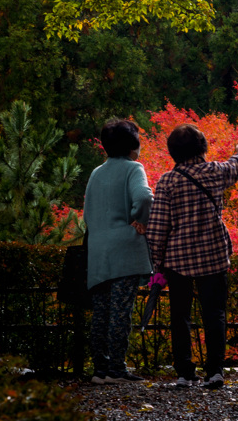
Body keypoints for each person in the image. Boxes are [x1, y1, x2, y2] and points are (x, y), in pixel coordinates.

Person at [146, 124, 238, 390]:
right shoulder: (215, 172)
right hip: (213, 255)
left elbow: (157, 228)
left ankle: (184, 372)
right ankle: (215, 371)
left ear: (172, 152)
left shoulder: (168, 181)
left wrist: (158, 263)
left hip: (178, 260)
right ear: (203, 147)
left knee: (179, 316)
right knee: (214, 313)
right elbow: (235, 166)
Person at [84, 119, 152, 384]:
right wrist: (141, 220)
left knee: (101, 312)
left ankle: (99, 369)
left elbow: (88, 213)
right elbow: (145, 197)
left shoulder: (95, 173)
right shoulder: (134, 168)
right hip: (124, 251)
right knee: (120, 312)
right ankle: (117, 370)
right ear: (133, 146)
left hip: (98, 252)